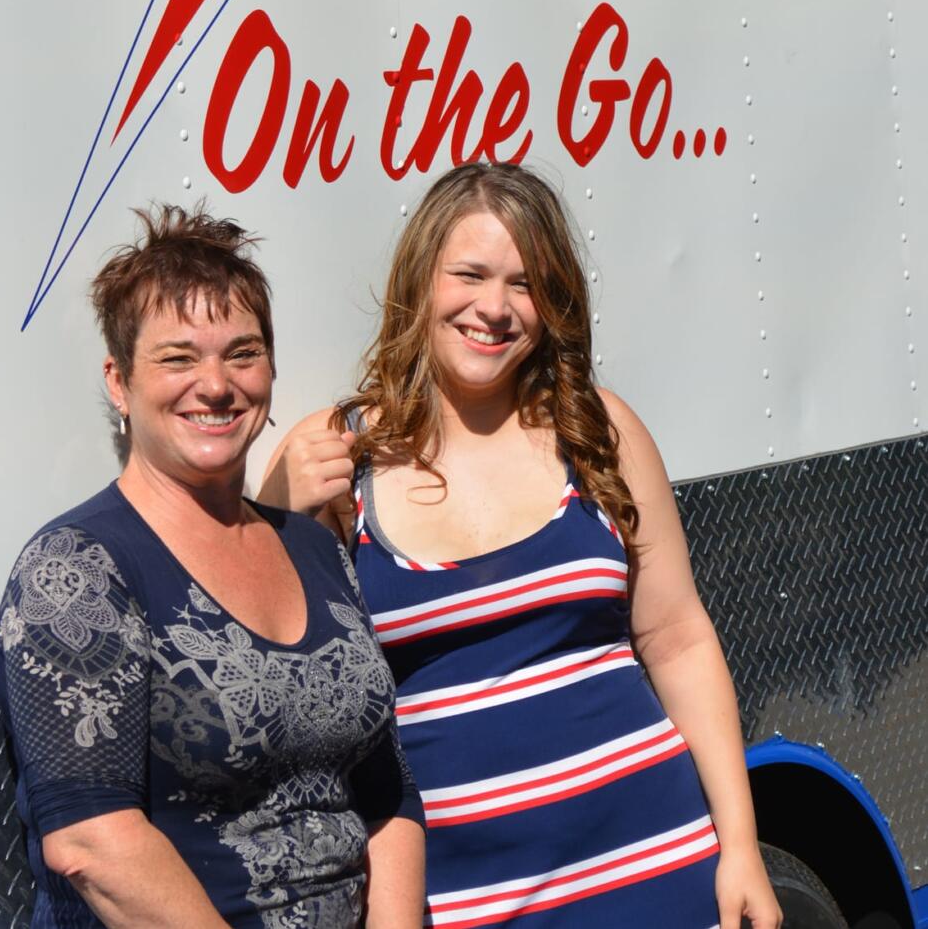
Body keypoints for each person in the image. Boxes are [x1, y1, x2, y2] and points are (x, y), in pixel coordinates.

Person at [261, 163, 781, 929]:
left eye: (524, 283)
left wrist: (741, 846)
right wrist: (279, 510)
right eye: (469, 274)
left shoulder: (598, 429)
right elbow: (270, 669)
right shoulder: (339, 458)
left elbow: (677, 639)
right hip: (467, 898)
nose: (495, 307)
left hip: (658, 864)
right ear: (420, 282)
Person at [0, 205, 426, 929]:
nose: (216, 383)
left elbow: (388, 791)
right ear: (118, 379)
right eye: (178, 356)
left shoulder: (315, 546)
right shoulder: (75, 570)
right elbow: (93, 843)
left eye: (242, 352)